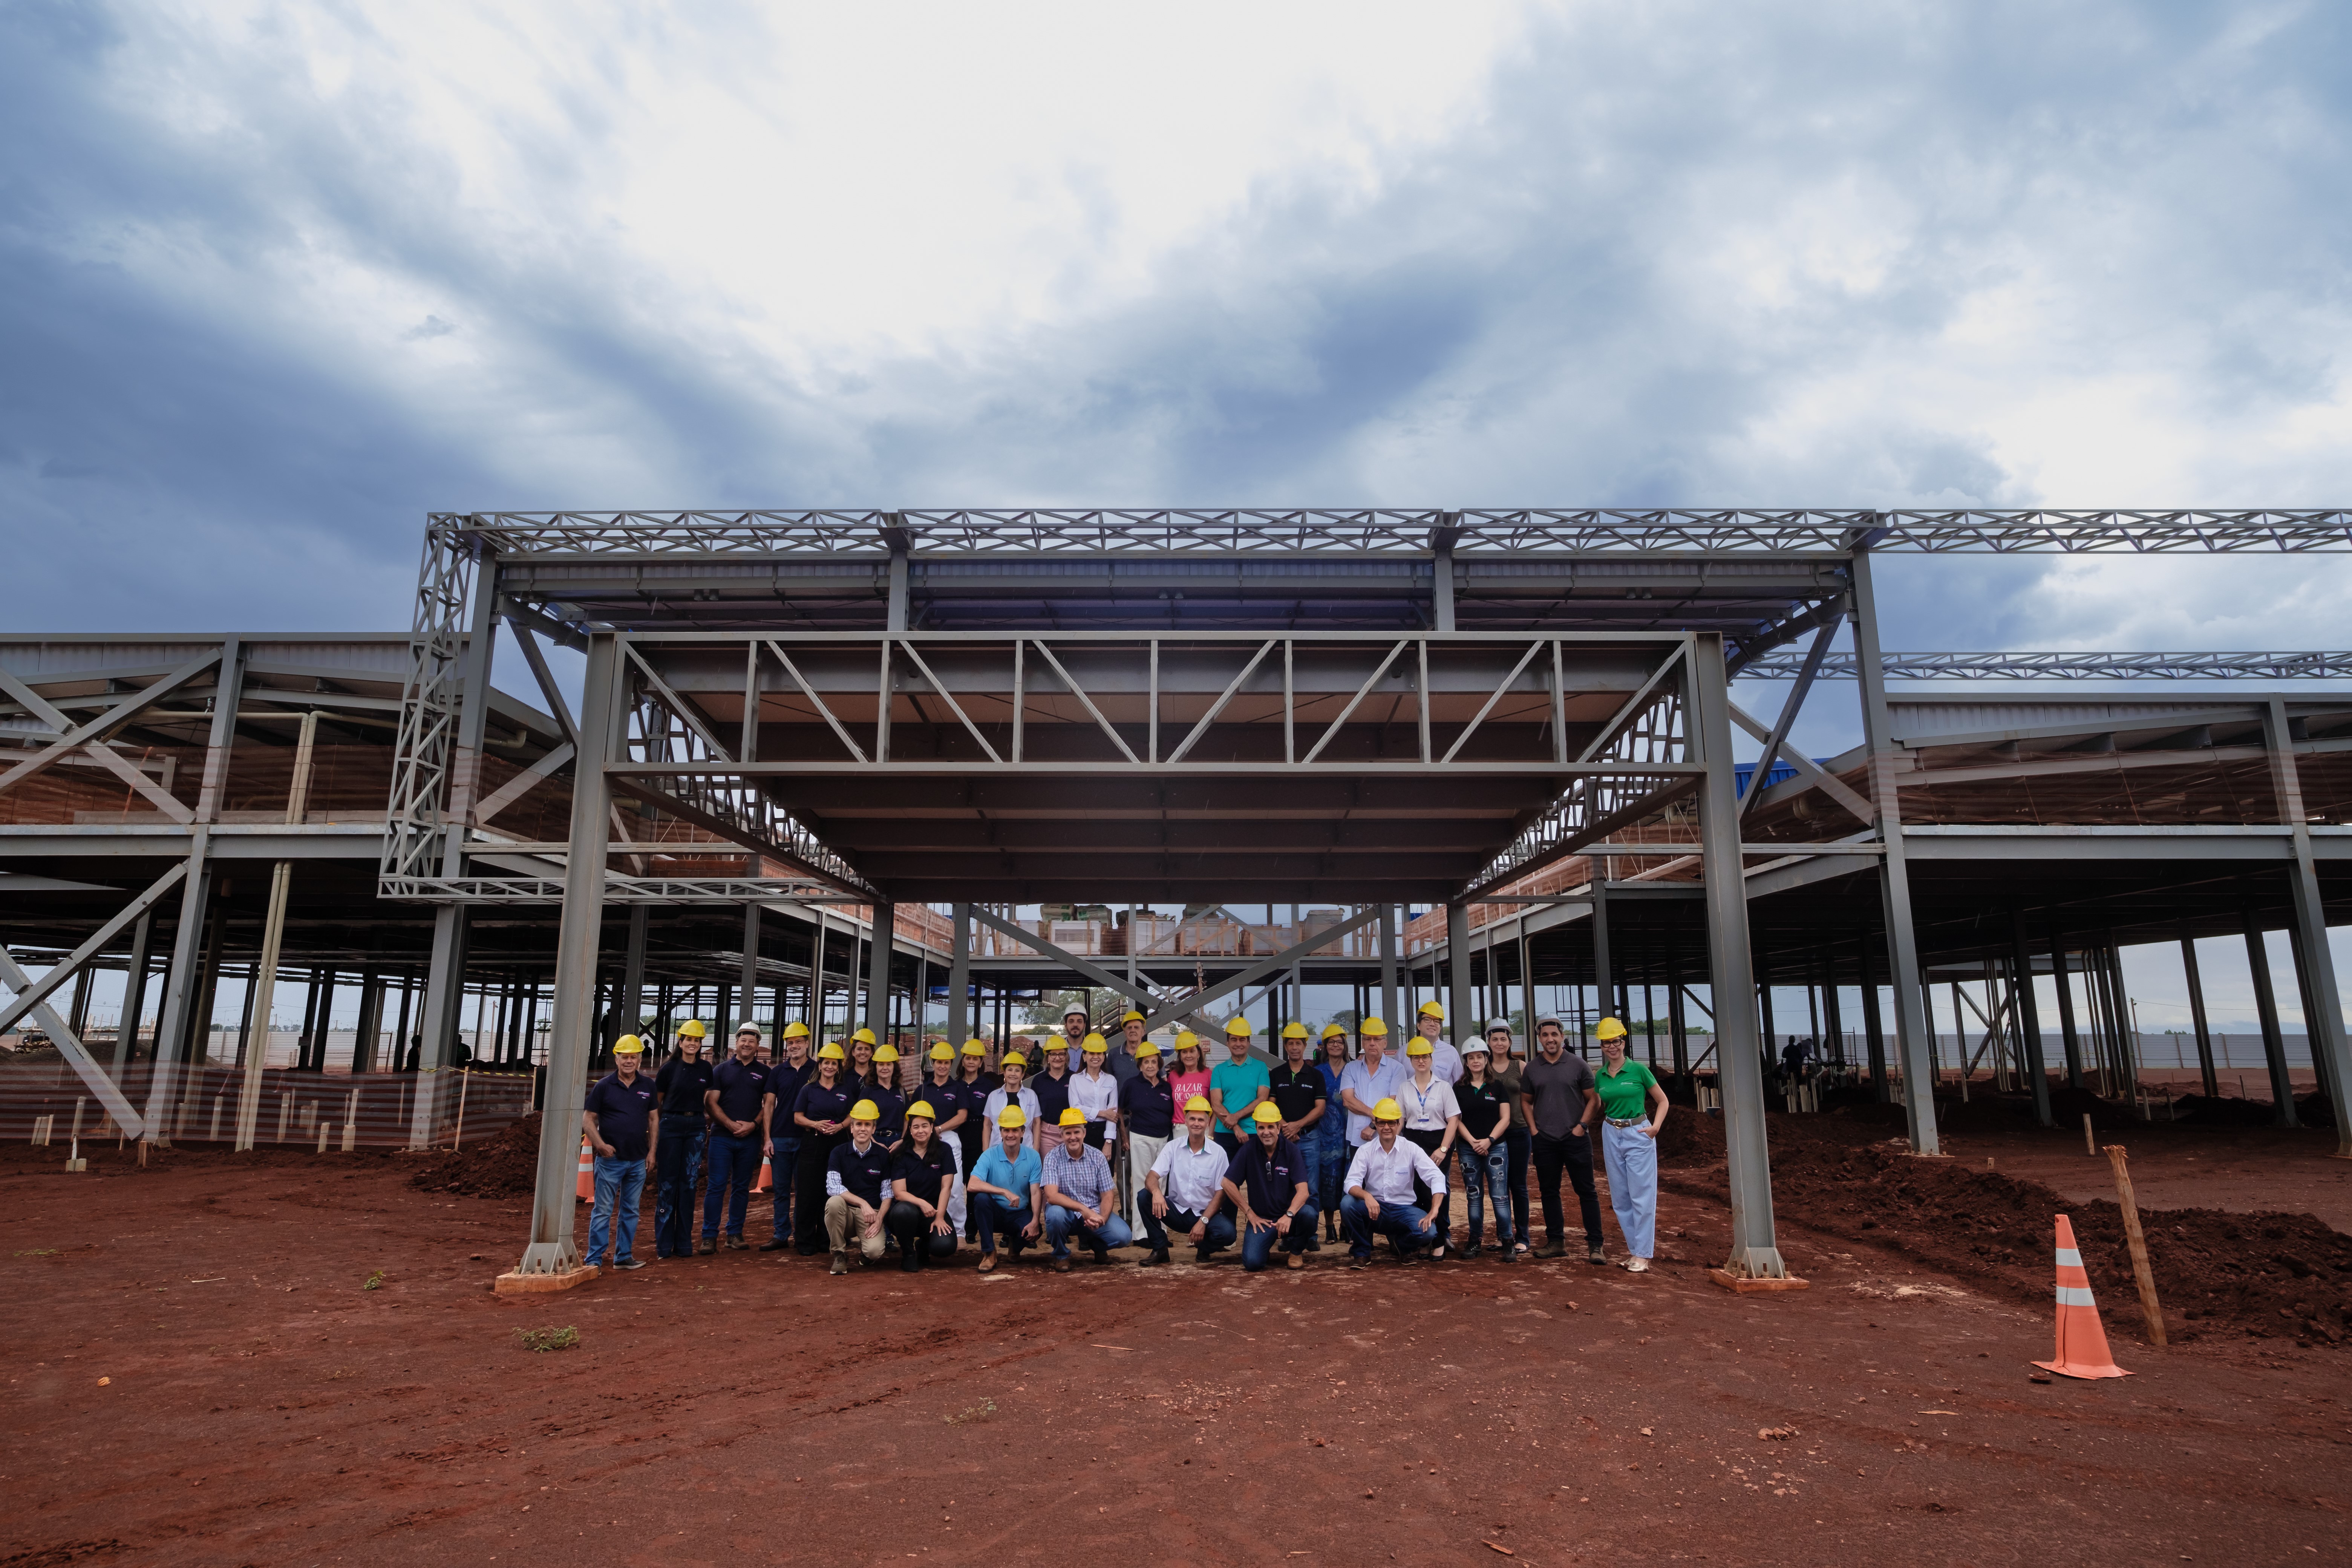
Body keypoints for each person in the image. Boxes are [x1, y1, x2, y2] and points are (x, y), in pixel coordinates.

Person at [1524, 1012, 1606, 1263]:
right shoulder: (1532, 1069)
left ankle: (1596, 1245)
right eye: (1545, 1035)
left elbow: (1594, 1099)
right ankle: (1556, 1242)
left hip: (1576, 1139)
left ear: (1562, 1036)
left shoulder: (1577, 1065)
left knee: (1587, 1191)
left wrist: (1582, 1126)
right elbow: (1526, 1102)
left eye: (1554, 1034)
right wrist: (1535, 1131)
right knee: (1549, 1192)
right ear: (1539, 1038)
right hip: (1546, 1140)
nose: (1550, 1039)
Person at [1594, 1018, 1669, 1272]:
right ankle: (1635, 1251)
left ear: (1623, 1043)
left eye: (1616, 1041)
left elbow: (1663, 1101)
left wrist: (1655, 1128)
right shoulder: (1601, 1076)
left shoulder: (1639, 1070)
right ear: (1602, 1046)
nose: (1612, 1046)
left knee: (1642, 1195)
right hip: (1611, 1132)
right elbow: (1598, 1104)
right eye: (1607, 1043)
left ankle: (1643, 1254)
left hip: (1638, 1132)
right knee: (1620, 1198)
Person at [1340, 1097, 1446, 1268]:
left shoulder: (1411, 1149)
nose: (1387, 1128)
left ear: (1398, 1124)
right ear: (1375, 1123)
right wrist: (1367, 1196)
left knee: (1429, 1232)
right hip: (1375, 1209)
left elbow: (1437, 1177)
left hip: (1403, 1210)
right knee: (1347, 1204)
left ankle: (1402, 1246)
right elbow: (1350, 1183)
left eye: (1391, 1123)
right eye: (1382, 1123)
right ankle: (1362, 1253)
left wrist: (1434, 1209)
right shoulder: (1365, 1151)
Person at [583, 1034, 657, 1272]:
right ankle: (594, 1259)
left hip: (637, 1160)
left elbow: (654, 1119)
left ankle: (623, 1256)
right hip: (610, 1161)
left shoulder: (648, 1086)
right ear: (616, 1059)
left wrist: (652, 1152)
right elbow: (588, 1119)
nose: (628, 1061)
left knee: (630, 1211)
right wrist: (600, 1145)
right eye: (624, 1057)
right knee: (603, 1211)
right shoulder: (604, 1086)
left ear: (640, 1060)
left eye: (633, 1057)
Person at [700, 1025, 774, 1253]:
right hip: (723, 1137)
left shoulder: (765, 1072)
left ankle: (734, 1234)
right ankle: (709, 1237)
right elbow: (710, 1102)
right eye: (743, 1040)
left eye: (752, 1041)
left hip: (749, 1140)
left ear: (757, 1046)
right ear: (736, 1042)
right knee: (716, 1187)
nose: (747, 1044)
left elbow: (769, 1105)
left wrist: (753, 1125)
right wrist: (731, 1125)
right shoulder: (721, 1070)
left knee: (741, 1188)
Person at [1140, 1095, 1234, 1266]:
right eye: (1192, 1119)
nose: (1196, 1123)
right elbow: (1152, 1176)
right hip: (1176, 1211)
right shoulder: (1173, 1147)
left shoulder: (1219, 1153)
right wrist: (1157, 1193)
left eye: (1201, 1119)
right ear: (1185, 1121)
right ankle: (1160, 1249)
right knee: (1143, 1197)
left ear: (1208, 1122)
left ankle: (1204, 1249)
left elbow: (1221, 1194)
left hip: (1206, 1214)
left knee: (1228, 1233)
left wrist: (1203, 1222)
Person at [1225, 1101, 1315, 1272]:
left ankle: (1296, 1251)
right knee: (1252, 1263)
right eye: (1261, 1128)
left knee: (1310, 1214)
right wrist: (1249, 1213)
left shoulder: (1291, 1150)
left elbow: (1303, 1192)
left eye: (1271, 1127)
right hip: (1262, 1220)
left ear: (1279, 1128)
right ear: (1256, 1128)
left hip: (1288, 1217)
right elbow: (1227, 1183)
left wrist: (1289, 1215)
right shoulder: (1248, 1149)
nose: (1266, 1132)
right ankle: (1263, 1247)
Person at [651, 1019, 714, 1260]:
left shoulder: (705, 1070)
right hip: (671, 1125)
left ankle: (684, 1244)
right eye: (689, 1039)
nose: (693, 1044)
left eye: (697, 1041)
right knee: (668, 1184)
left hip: (696, 1126)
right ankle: (664, 1246)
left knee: (689, 1184)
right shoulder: (669, 1069)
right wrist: (656, 1131)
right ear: (681, 1041)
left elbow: (708, 1097)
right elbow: (657, 1104)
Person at [1041, 1107, 1131, 1270]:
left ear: (1084, 1133)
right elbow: (1052, 1196)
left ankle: (1098, 1246)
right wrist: (1083, 1210)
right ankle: (1061, 1255)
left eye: (1077, 1132)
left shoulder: (1097, 1157)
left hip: (1094, 1212)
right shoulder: (1052, 1157)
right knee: (1055, 1215)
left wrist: (1101, 1219)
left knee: (1124, 1237)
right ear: (1062, 1135)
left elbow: (1107, 1195)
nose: (1073, 1137)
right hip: (1066, 1212)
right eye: (1068, 1133)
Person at [1396, 1037, 1461, 1259]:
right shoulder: (1404, 1088)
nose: (1421, 1061)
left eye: (1425, 1056)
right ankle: (1425, 1239)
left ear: (1432, 1059)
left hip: (1438, 1142)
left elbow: (1453, 1119)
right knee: (1417, 1192)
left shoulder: (1444, 1087)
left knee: (1437, 1190)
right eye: (1416, 1057)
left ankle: (1441, 1238)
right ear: (1411, 1061)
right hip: (1413, 1141)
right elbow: (1400, 1121)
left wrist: (1444, 1149)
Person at [1265, 1024, 1328, 1249]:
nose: (1294, 1047)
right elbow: (1270, 1105)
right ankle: (1289, 1235)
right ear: (1285, 1046)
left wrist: (1297, 1126)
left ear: (1305, 1045)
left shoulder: (1316, 1075)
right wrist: (1285, 1128)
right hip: (1283, 1140)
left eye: (1298, 1044)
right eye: (1290, 1043)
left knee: (1311, 1188)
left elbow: (1320, 1108)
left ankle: (1310, 1236)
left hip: (1309, 1139)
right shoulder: (1276, 1074)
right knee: (1285, 1187)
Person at [1455, 1034, 1516, 1262]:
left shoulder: (1497, 1087)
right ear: (1466, 1062)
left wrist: (1489, 1140)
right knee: (1474, 1195)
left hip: (1496, 1147)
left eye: (1479, 1057)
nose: (1476, 1061)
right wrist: (1473, 1142)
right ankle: (1475, 1240)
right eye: (1471, 1058)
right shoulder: (1458, 1088)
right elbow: (1456, 1119)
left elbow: (1506, 1119)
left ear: (1486, 1059)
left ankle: (1507, 1240)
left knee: (1500, 1196)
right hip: (1469, 1148)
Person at [790, 1042, 854, 1258]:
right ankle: (805, 1240)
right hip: (812, 1144)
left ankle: (826, 1239)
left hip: (836, 1145)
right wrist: (815, 1124)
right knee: (809, 1193)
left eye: (834, 1064)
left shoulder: (844, 1091)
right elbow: (798, 1117)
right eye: (826, 1063)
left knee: (831, 1192)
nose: (830, 1067)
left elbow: (851, 1116)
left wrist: (841, 1126)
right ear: (820, 1065)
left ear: (839, 1067)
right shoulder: (809, 1090)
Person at [967, 1105, 1043, 1272]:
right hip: (995, 1213)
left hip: (1019, 1213)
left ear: (1023, 1132)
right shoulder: (989, 1154)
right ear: (1000, 1132)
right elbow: (972, 1184)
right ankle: (989, 1253)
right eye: (1006, 1130)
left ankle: (1014, 1248)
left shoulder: (1033, 1157)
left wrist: (1036, 1219)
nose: (1011, 1135)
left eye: (1015, 1130)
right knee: (981, 1199)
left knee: (1035, 1231)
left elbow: (1036, 1191)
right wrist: (1004, 1192)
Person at [886, 1100, 959, 1271]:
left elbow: (946, 1188)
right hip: (906, 1212)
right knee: (904, 1211)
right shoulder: (901, 1155)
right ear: (910, 1130)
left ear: (932, 1127)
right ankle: (909, 1253)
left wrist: (940, 1217)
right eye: (916, 1127)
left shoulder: (944, 1150)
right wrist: (922, 1203)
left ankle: (924, 1245)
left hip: (934, 1212)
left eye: (925, 1126)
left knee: (945, 1247)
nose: (921, 1131)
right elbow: (899, 1193)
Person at [822, 1099, 893, 1275]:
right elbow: (833, 1187)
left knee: (875, 1252)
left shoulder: (883, 1155)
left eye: (868, 1125)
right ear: (851, 1128)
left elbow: (888, 1193)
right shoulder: (838, 1153)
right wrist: (863, 1203)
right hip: (845, 1212)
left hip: (871, 1216)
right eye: (859, 1124)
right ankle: (839, 1255)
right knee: (834, 1202)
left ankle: (865, 1255)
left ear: (874, 1129)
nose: (863, 1129)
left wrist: (879, 1218)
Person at [758, 1021, 810, 1253]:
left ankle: (802, 1234)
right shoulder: (778, 1072)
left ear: (807, 1044)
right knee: (780, 1191)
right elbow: (768, 1106)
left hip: (807, 1138)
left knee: (804, 1190)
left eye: (799, 1042)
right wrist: (767, 1138)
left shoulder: (817, 1070)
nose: (794, 1046)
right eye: (791, 1043)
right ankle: (781, 1235)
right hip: (780, 1137)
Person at [1118, 1039, 1175, 1228]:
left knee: (1162, 1183)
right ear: (1140, 1065)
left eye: (1154, 1062)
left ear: (1159, 1064)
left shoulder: (1167, 1087)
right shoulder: (1131, 1085)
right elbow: (1120, 1111)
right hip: (1140, 1137)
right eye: (1146, 1062)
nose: (1150, 1066)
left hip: (1164, 1139)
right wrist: (1124, 1137)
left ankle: (1161, 1229)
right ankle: (1142, 1233)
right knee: (1143, 1183)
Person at [1490, 1018, 1533, 1258]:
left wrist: (1534, 1129)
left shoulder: (1521, 1067)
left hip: (1518, 1132)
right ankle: (1503, 1235)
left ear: (1509, 1042)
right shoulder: (1483, 1066)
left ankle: (1523, 1237)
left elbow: (1530, 1100)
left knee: (1518, 1185)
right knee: (1499, 1188)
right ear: (1489, 1042)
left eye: (1503, 1039)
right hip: (1494, 1135)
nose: (1499, 1043)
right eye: (1495, 1039)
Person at [1309, 1023, 1351, 1245]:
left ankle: (1346, 1225)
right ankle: (1329, 1226)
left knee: (1348, 1179)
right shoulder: (1317, 1072)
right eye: (1331, 1042)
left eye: (1340, 1042)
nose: (1336, 1046)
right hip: (1323, 1136)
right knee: (1326, 1182)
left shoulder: (1354, 1069)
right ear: (1325, 1046)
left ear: (1345, 1046)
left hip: (1349, 1134)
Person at [1337, 1017, 1404, 1152]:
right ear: (1363, 1043)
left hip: (1387, 1138)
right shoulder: (1351, 1068)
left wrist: (1373, 1127)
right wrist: (1375, 1117)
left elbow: (1394, 1104)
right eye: (1368, 1039)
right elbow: (1348, 1101)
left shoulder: (1397, 1069)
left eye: (1377, 1039)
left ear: (1385, 1043)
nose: (1372, 1043)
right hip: (1357, 1137)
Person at [1209, 1018, 1270, 1153]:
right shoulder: (1219, 1070)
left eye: (1242, 1040)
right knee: (1226, 1175)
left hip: (1254, 1132)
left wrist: (1235, 1117)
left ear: (1249, 1043)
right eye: (1234, 1040)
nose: (1238, 1044)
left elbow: (1262, 1099)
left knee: (1254, 1174)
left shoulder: (1261, 1068)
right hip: (1224, 1134)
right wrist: (1236, 1127)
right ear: (1228, 1043)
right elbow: (1216, 1104)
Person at [981, 1052, 1042, 1155]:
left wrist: (1035, 1150)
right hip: (996, 1151)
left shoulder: (1031, 1095)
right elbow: (987, 1125)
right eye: (1010, 1070)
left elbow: (1037, 1124)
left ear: (1022, 1075)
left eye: (1017, 1071)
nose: (1013, 1074)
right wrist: (986, 1151)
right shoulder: (994, 1096)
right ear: (1004, 1073)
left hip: (1026, 1150)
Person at [1070, 1032, 1120, 1151]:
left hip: (1105, 1133)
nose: (1096, 1057)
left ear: (1104, 1057)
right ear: (1084, 1057)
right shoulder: (1075, 1079)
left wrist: (1108, 1142)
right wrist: (1102, 1113)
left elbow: (1112, 1114)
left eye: (1099, 1054)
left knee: (1107, 1170)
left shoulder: (1111, 1080)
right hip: (1082, 1132)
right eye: (1092, 1053)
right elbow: (1075, 1109)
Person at [1032, 1036, 1075, 1142]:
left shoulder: (1075, 1078)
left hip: (1071, 1132)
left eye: (1062, 1054)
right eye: (1053, 1054)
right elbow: (1034, 1112)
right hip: (1047, 1134)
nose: (1058, 1058)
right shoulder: (1038, 1081)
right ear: (1047, 1058)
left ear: (1066, 1058)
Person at [866, 1042, 908, 1148]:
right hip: (875, 1140)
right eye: (881, 1064)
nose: (885, 1068)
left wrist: (902, 1140)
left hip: (897, 1141)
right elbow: (861, 1120)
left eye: (889, 1064)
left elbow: (907, 1118)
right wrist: (874, 1142)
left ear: (894, 1067)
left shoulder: (901, 1091)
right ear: (875, 1067)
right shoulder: (868, 1092)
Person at [1413, 1000, 1464, 1084]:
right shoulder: (1404, 1052)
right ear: (1418, 1025)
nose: (1432, 1024)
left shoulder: (1451, 1052)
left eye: (1437, 1021)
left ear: (1440, 1028)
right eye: (1427, 1019)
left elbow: (1460, 1084)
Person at [1167, 1032, 1211, 1122]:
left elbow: (1215, 1105)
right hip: (1179, 1128)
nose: (1188, 1056)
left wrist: (1210, 1134)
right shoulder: (1173, 1076)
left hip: (1202, 1127)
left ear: (1198, 1054)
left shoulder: (1209, 1075)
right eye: (1184, 1052)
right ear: (1180, 1056)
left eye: (1192, 1051)